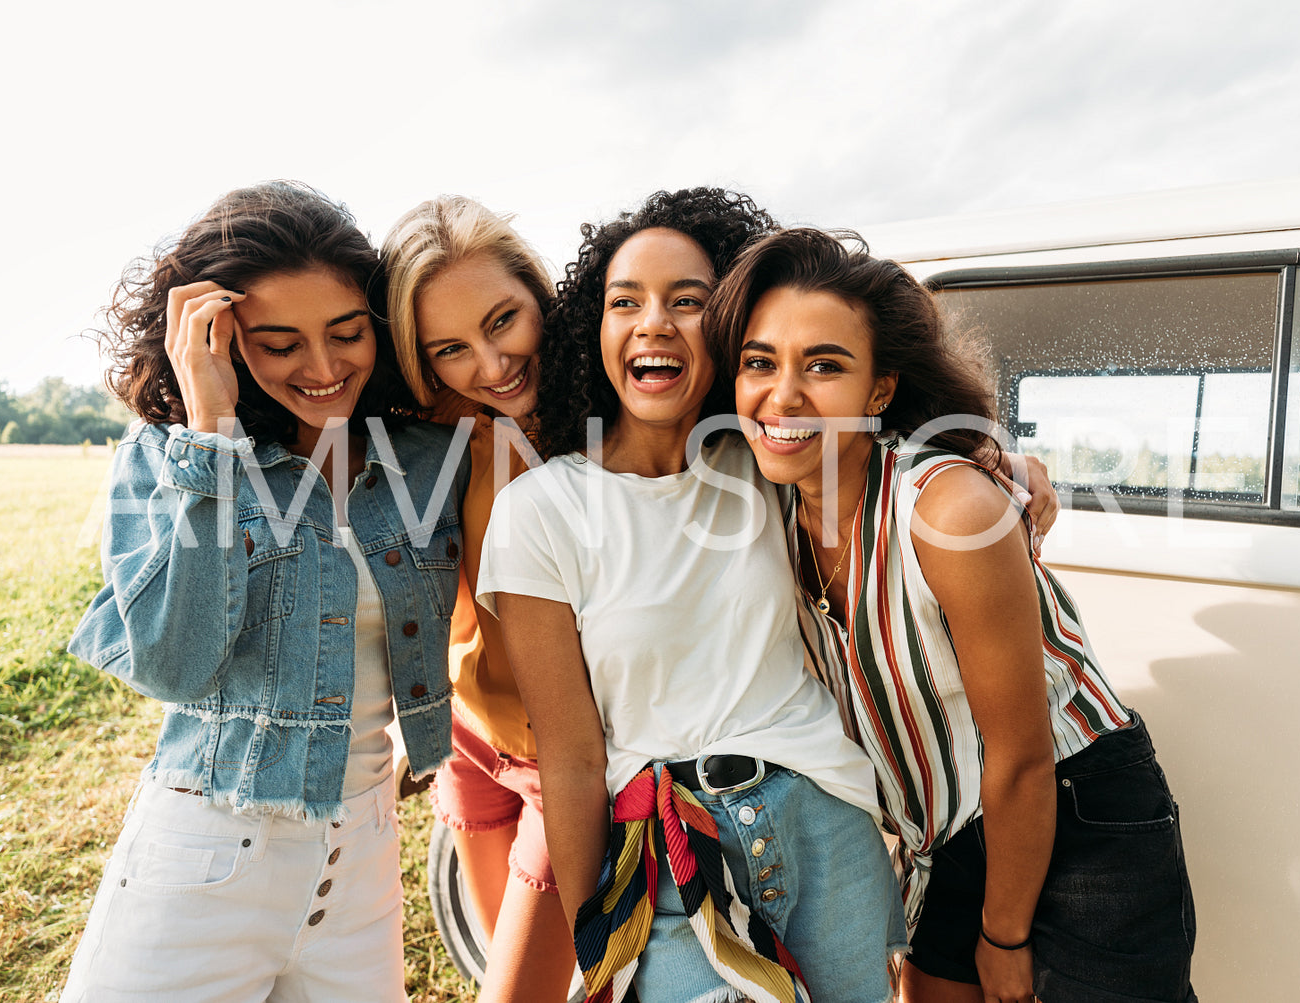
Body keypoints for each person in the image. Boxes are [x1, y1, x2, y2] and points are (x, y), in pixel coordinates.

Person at [707, 227, 1197, 1003]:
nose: (784, 394)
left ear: (880, 390)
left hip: (1070, 808)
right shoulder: (761, 502)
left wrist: (1004, 937)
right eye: (759, 362)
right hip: (950, 829)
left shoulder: (948, 508)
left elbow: (1023, 759)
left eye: (824, 365)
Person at [477, 188, 908, 1003]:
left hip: (825, 826)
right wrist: (595, 941)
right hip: (666, 854)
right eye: (624, 301)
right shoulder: (540, 509)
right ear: (594, 331)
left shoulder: (772, 460)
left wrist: (1003, 462)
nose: (652, 323)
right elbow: (569, 757)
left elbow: (894, 432)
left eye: (687, 301)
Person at [61, 181, 469, 1002]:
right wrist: (212, 431)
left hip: (361, 860)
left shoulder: (424, 456)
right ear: (217, 340)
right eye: (279, 344)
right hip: (209, 854)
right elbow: (173, 662)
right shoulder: (166, 458)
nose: (323, 369)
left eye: (346, 333)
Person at [380, 196, 577, 1002]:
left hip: (567, 755)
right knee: (497, 960)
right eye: (451, 348)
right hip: (467, 735)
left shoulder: (616, 411)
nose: (491, 365)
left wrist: (982, 449)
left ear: (539, 293)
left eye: (504, 320)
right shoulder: (439, 417)